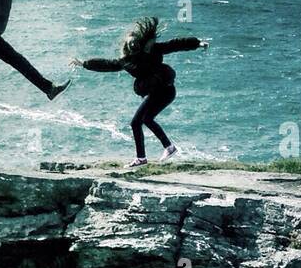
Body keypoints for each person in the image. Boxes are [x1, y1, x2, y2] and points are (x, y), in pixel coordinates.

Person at [72, 16, 206, 168]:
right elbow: (106, 64)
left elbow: (175, 44)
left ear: (140, 43)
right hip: (162, 91)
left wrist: (197, 43)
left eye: (135, 42)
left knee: (136, 122)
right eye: (131, 43)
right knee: (146, 120)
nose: (133, 44)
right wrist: (85, 64)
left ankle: (143, 158)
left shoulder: (152, 50)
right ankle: (168, 148)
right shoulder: (126, 61)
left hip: (165, 91)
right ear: (127, 45)